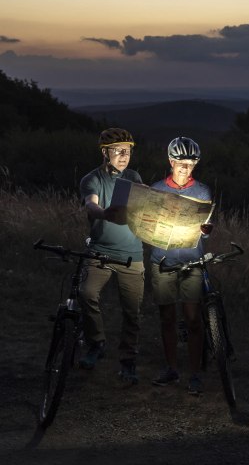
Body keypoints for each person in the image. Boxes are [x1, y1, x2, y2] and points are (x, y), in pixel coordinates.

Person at [78, 128, 145, 385]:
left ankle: (128, 361)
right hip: (101, 251)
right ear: (105, 153)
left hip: (132, 254)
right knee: (87, 294)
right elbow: (91, 204)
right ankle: (96, 343)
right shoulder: (92, 179)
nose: (124, 156)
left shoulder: (132, 176)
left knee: (132, 312)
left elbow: (144, 199)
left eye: (127, 151)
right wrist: (104, 214)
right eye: (118, 151)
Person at [150, 137, 212, 394]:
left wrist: (206, 230)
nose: (186, 169)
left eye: (191, 164)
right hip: (162, 261)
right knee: (167, 317)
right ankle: (172, 368)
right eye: (181, 164)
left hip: (192, 262)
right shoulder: (155, 190)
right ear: (171, 162)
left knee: (192, 318)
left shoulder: (202, 192)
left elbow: (205, 231)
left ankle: (195, 373)